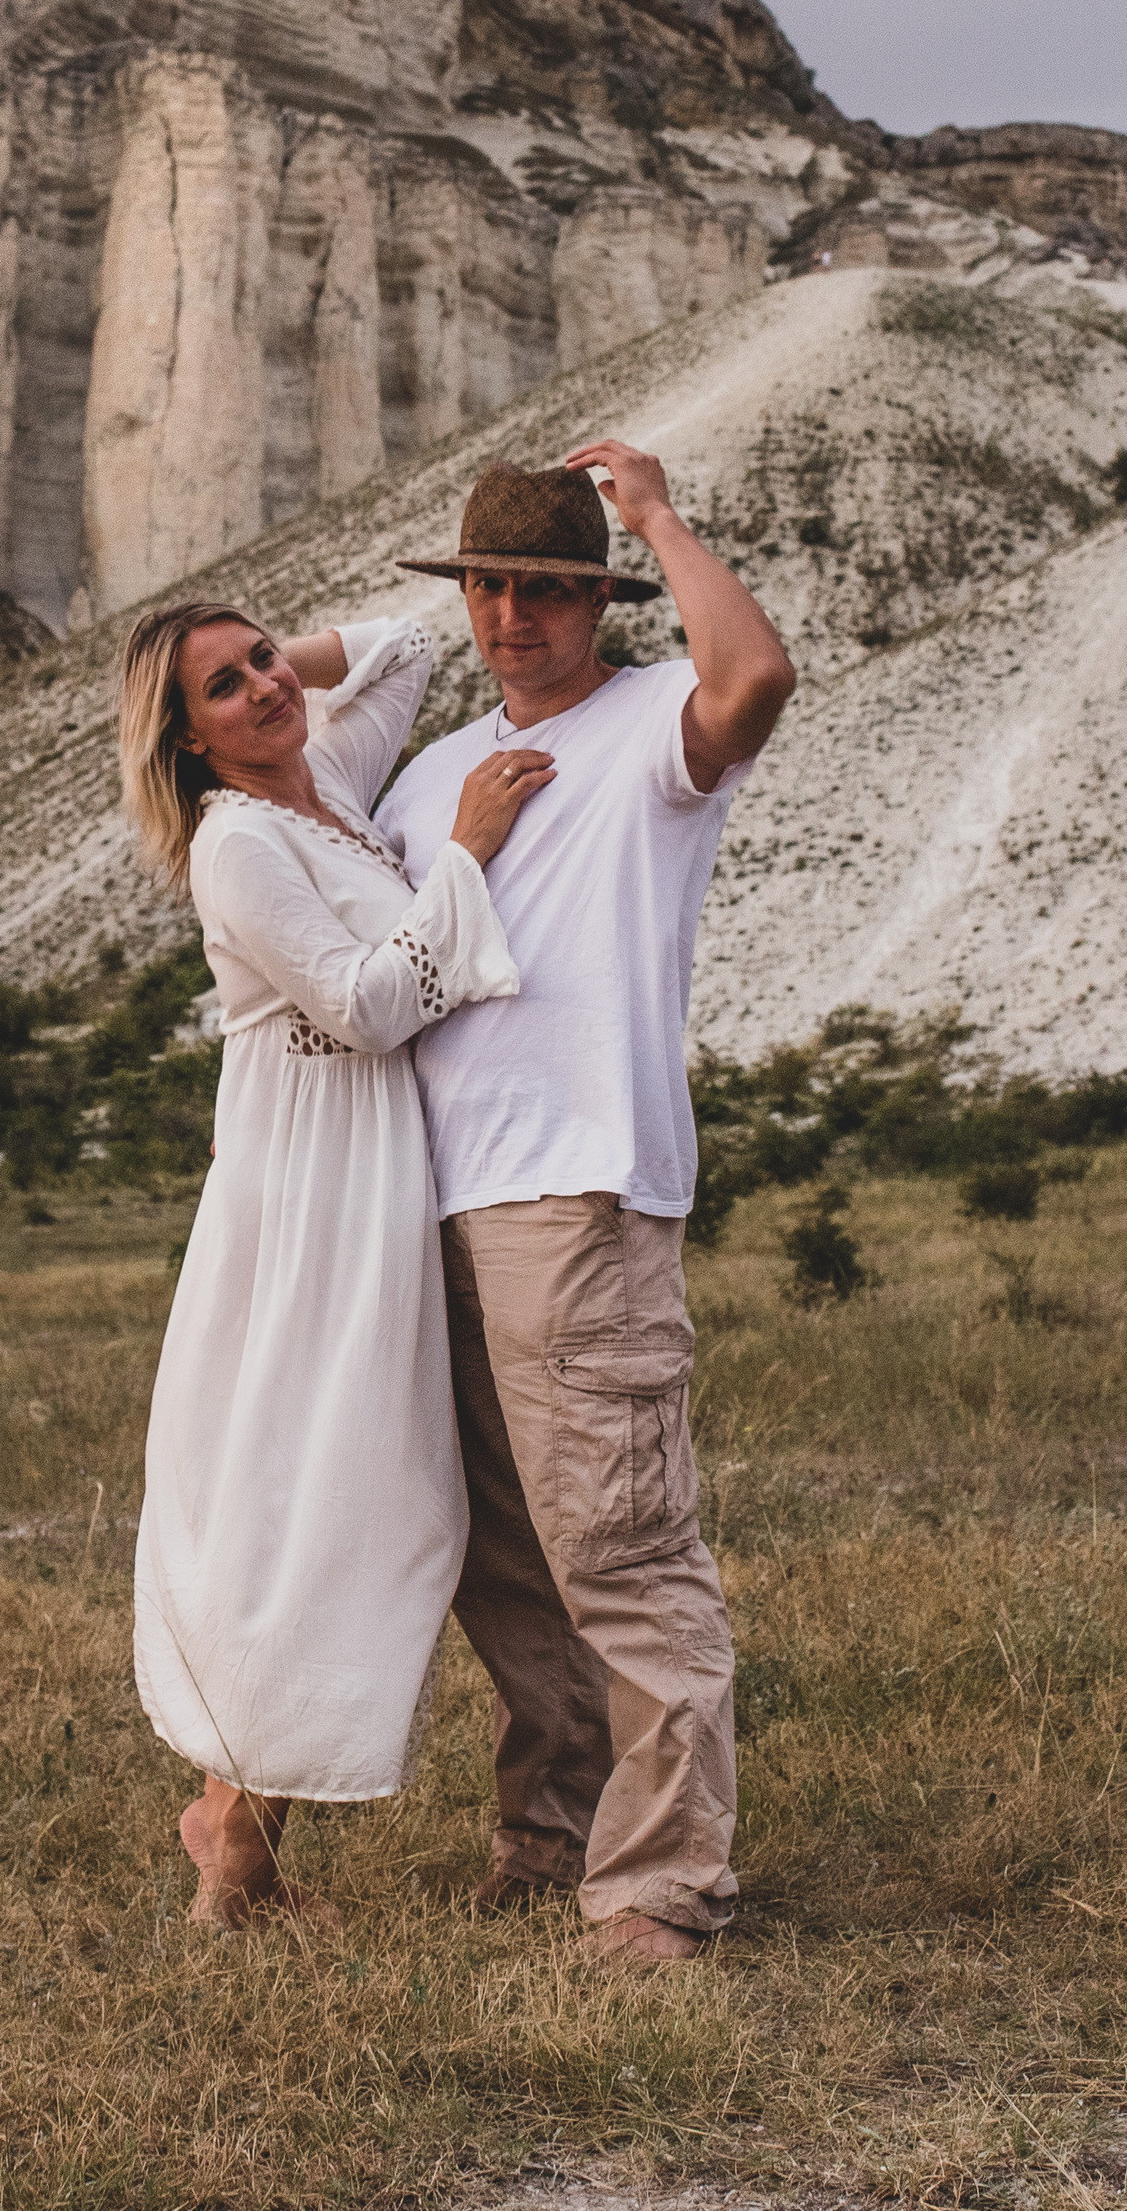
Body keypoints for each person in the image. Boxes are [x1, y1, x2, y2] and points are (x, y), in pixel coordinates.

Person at [378, 448, 795, 1967]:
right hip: (439, 1201)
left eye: (545, 588)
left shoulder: (648, 737)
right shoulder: (433, 779)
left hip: (580, 1187)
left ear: (597, 599)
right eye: (486, 585)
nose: (509, 615)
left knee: (620, 1544)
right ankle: (552, 1833)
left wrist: (659, 518)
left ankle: (663, 1882)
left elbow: (756, 673)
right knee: (503, 1555)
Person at [117, 600, 553, 1927]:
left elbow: (415, 643)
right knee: (319, 1501)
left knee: (351, 1499)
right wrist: (467, 854)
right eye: (224, 689)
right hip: (307, 1195)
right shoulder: (238, 841)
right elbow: (362, 1008)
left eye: (261, 663)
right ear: (184, 742)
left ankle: (237, 1837)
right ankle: (234, 1837)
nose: (262, 690)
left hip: (378, 1181)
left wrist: (274, 668)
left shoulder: (325, 790)